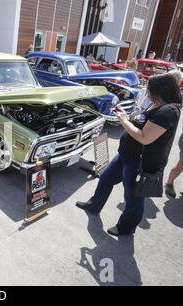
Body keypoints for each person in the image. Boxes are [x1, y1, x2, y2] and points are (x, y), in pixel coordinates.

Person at [76, 73, 181, 236]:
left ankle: (126, 227)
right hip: (127, 155)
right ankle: (94, 205)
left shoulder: (168, 111)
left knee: (133, 197)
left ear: (159, 90)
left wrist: (124, 121)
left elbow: (145, 138)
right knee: (106, 179)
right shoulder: (157, 104)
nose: (148, 93)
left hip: (140, 162)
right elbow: (140, 122)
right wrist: (125, 117)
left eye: (150, 90)